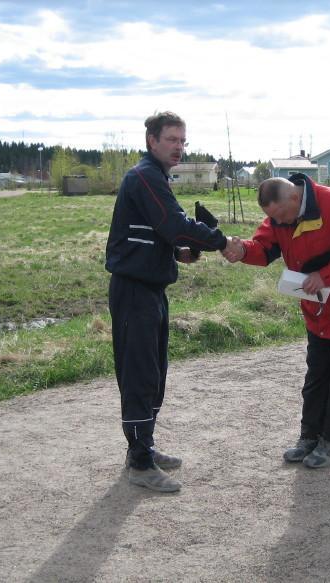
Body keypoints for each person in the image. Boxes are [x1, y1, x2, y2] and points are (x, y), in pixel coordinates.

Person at [105, 111, 238, 493]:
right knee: (139, 374)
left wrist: (177, 255)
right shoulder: (144, 176)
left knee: (155, 371)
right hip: (134, 292)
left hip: (150, 289)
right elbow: (175, 224)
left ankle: (142, 447)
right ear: (152, 141)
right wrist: (220, 240)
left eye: (183, 141)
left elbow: (154, 233)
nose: (179, 147)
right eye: (172, 140)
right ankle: (141, 463)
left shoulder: (155, 176)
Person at [223, 174, 330, 469]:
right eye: (272, 218)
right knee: (316, 376)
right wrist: (241, 250)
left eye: (279, 215)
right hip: (316, 311)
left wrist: (324, 276)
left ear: (294, 197)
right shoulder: (280, 215)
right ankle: (309, 436)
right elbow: (264, 248)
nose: (277, 222)